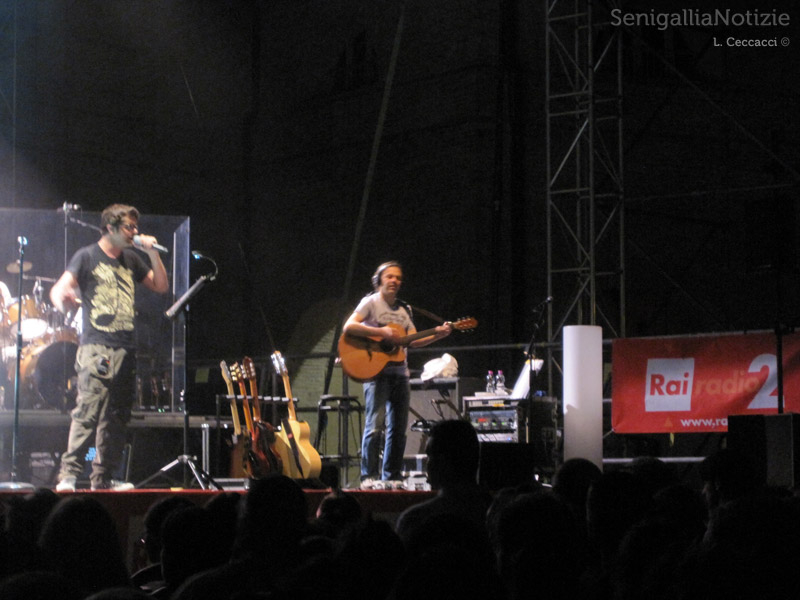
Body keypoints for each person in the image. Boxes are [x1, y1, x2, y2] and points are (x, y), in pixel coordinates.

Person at [50, 203, 168, 491]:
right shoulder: (87, 256)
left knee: (116, 416)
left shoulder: (132, 259)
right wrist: (62, 298)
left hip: (125, 350)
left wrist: (151, 252)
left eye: (135, 227)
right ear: (111, 228)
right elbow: (58, 289)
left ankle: (103, 478)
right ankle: (68, 474)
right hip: (99, 350)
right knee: (89, 409)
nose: (134, 232)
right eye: (129, 227)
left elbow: (161, 286)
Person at [343, 261, 452, 490]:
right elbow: (349, 328)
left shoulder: (404, 309)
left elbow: (413, 339)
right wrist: (380, 331)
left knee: (398, 429)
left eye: (398, 278)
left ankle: (391, 475)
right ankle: (368, 477)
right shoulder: (370, 302)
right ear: (379, 280)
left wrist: (438, 335)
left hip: (400, 374)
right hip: (376, 373)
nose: (394, 281)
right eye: (390, 276)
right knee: (374, 426)